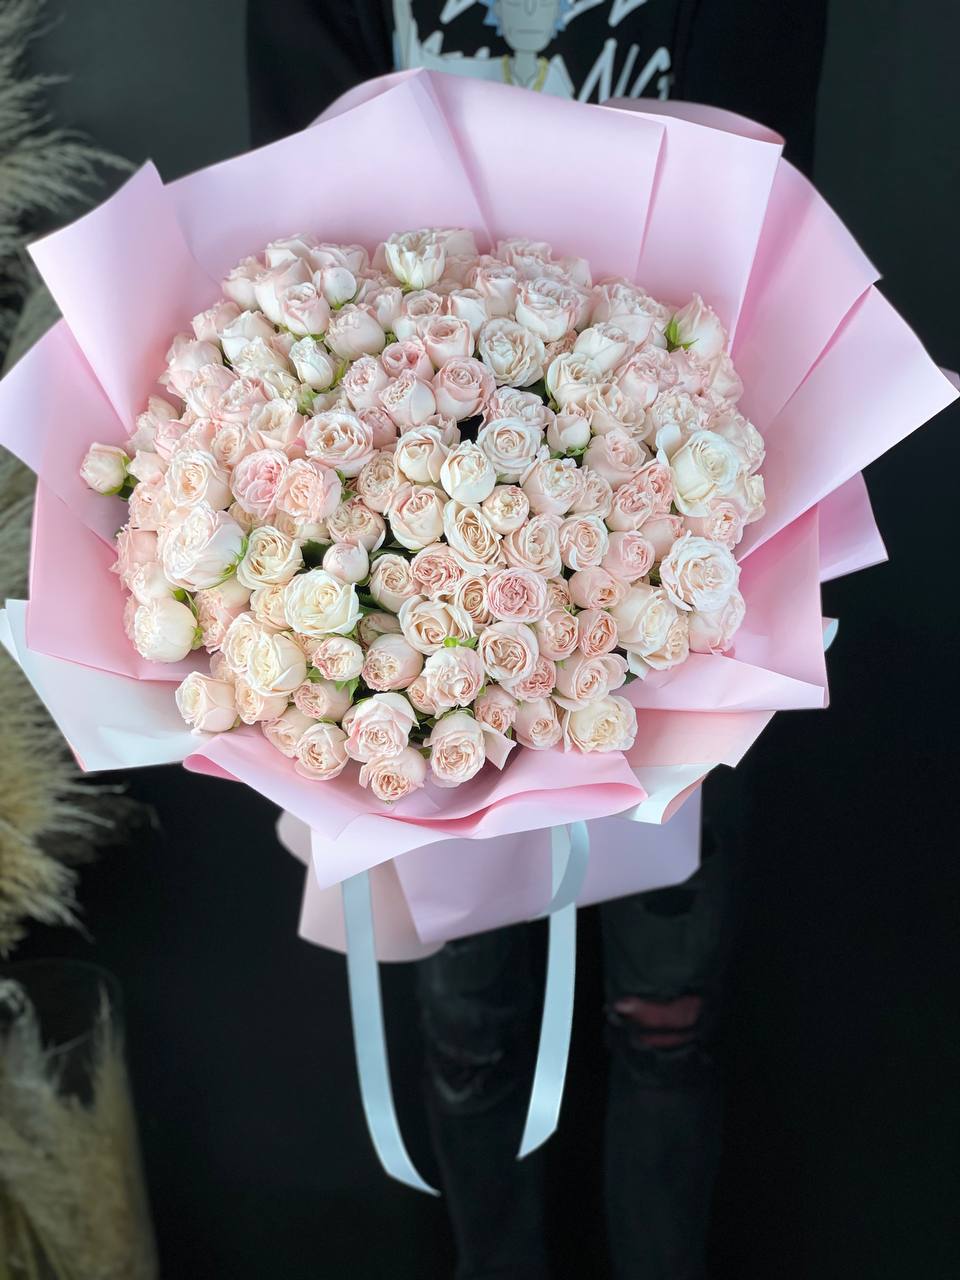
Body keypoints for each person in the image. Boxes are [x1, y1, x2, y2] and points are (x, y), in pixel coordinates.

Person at [247, 4, 827, 1275]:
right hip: (417, 592)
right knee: (469, 1021)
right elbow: (288, 205)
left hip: (686, 577)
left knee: (670, 1011)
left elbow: (778, 210)